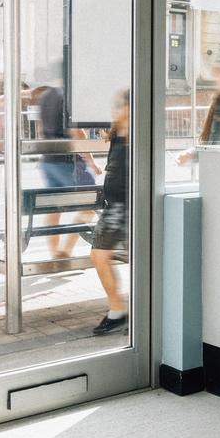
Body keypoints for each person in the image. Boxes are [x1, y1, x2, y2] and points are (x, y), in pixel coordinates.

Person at [36, 83, 100, 259]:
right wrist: (91, 161)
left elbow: (41, 129)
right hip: (69, 162)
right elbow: (77, 133)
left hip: (48, 160)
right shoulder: (69, 95)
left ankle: (55, 252)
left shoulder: (46, 96)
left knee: (53, 208)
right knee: (91, 205)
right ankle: (66, 250)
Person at [91, 88, 130, 337]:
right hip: (114, 205)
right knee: (99, 255)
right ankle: (117, 309)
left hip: (126, 206)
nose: (114, 111)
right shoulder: (119, 134)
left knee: (100, 255)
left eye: (119, 106)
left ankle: (119, 310)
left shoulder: (137, 135)